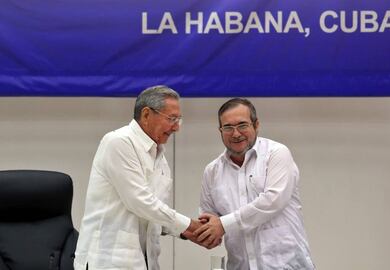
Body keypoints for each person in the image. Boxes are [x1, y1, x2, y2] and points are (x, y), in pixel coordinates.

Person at [74, 85, 201, 270]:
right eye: (171, 119)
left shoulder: (160, 157)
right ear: (147, 114)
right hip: (107, 261)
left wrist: (188, 232)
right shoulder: (118, 142)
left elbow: (156, 215)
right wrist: (190, 225)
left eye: (178, 120)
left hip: (145, 261)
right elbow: (140, 202)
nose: (176, 128)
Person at [195, 98, 315, 270]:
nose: (236, 133)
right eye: (228, 127)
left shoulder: (276, 154)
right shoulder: (212, 171)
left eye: (242, 125)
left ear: (256, 124)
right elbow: (208, 218)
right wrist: (205, 234)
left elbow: (272, 201)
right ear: (220, 130)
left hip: (287, 265)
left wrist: (223, 224)